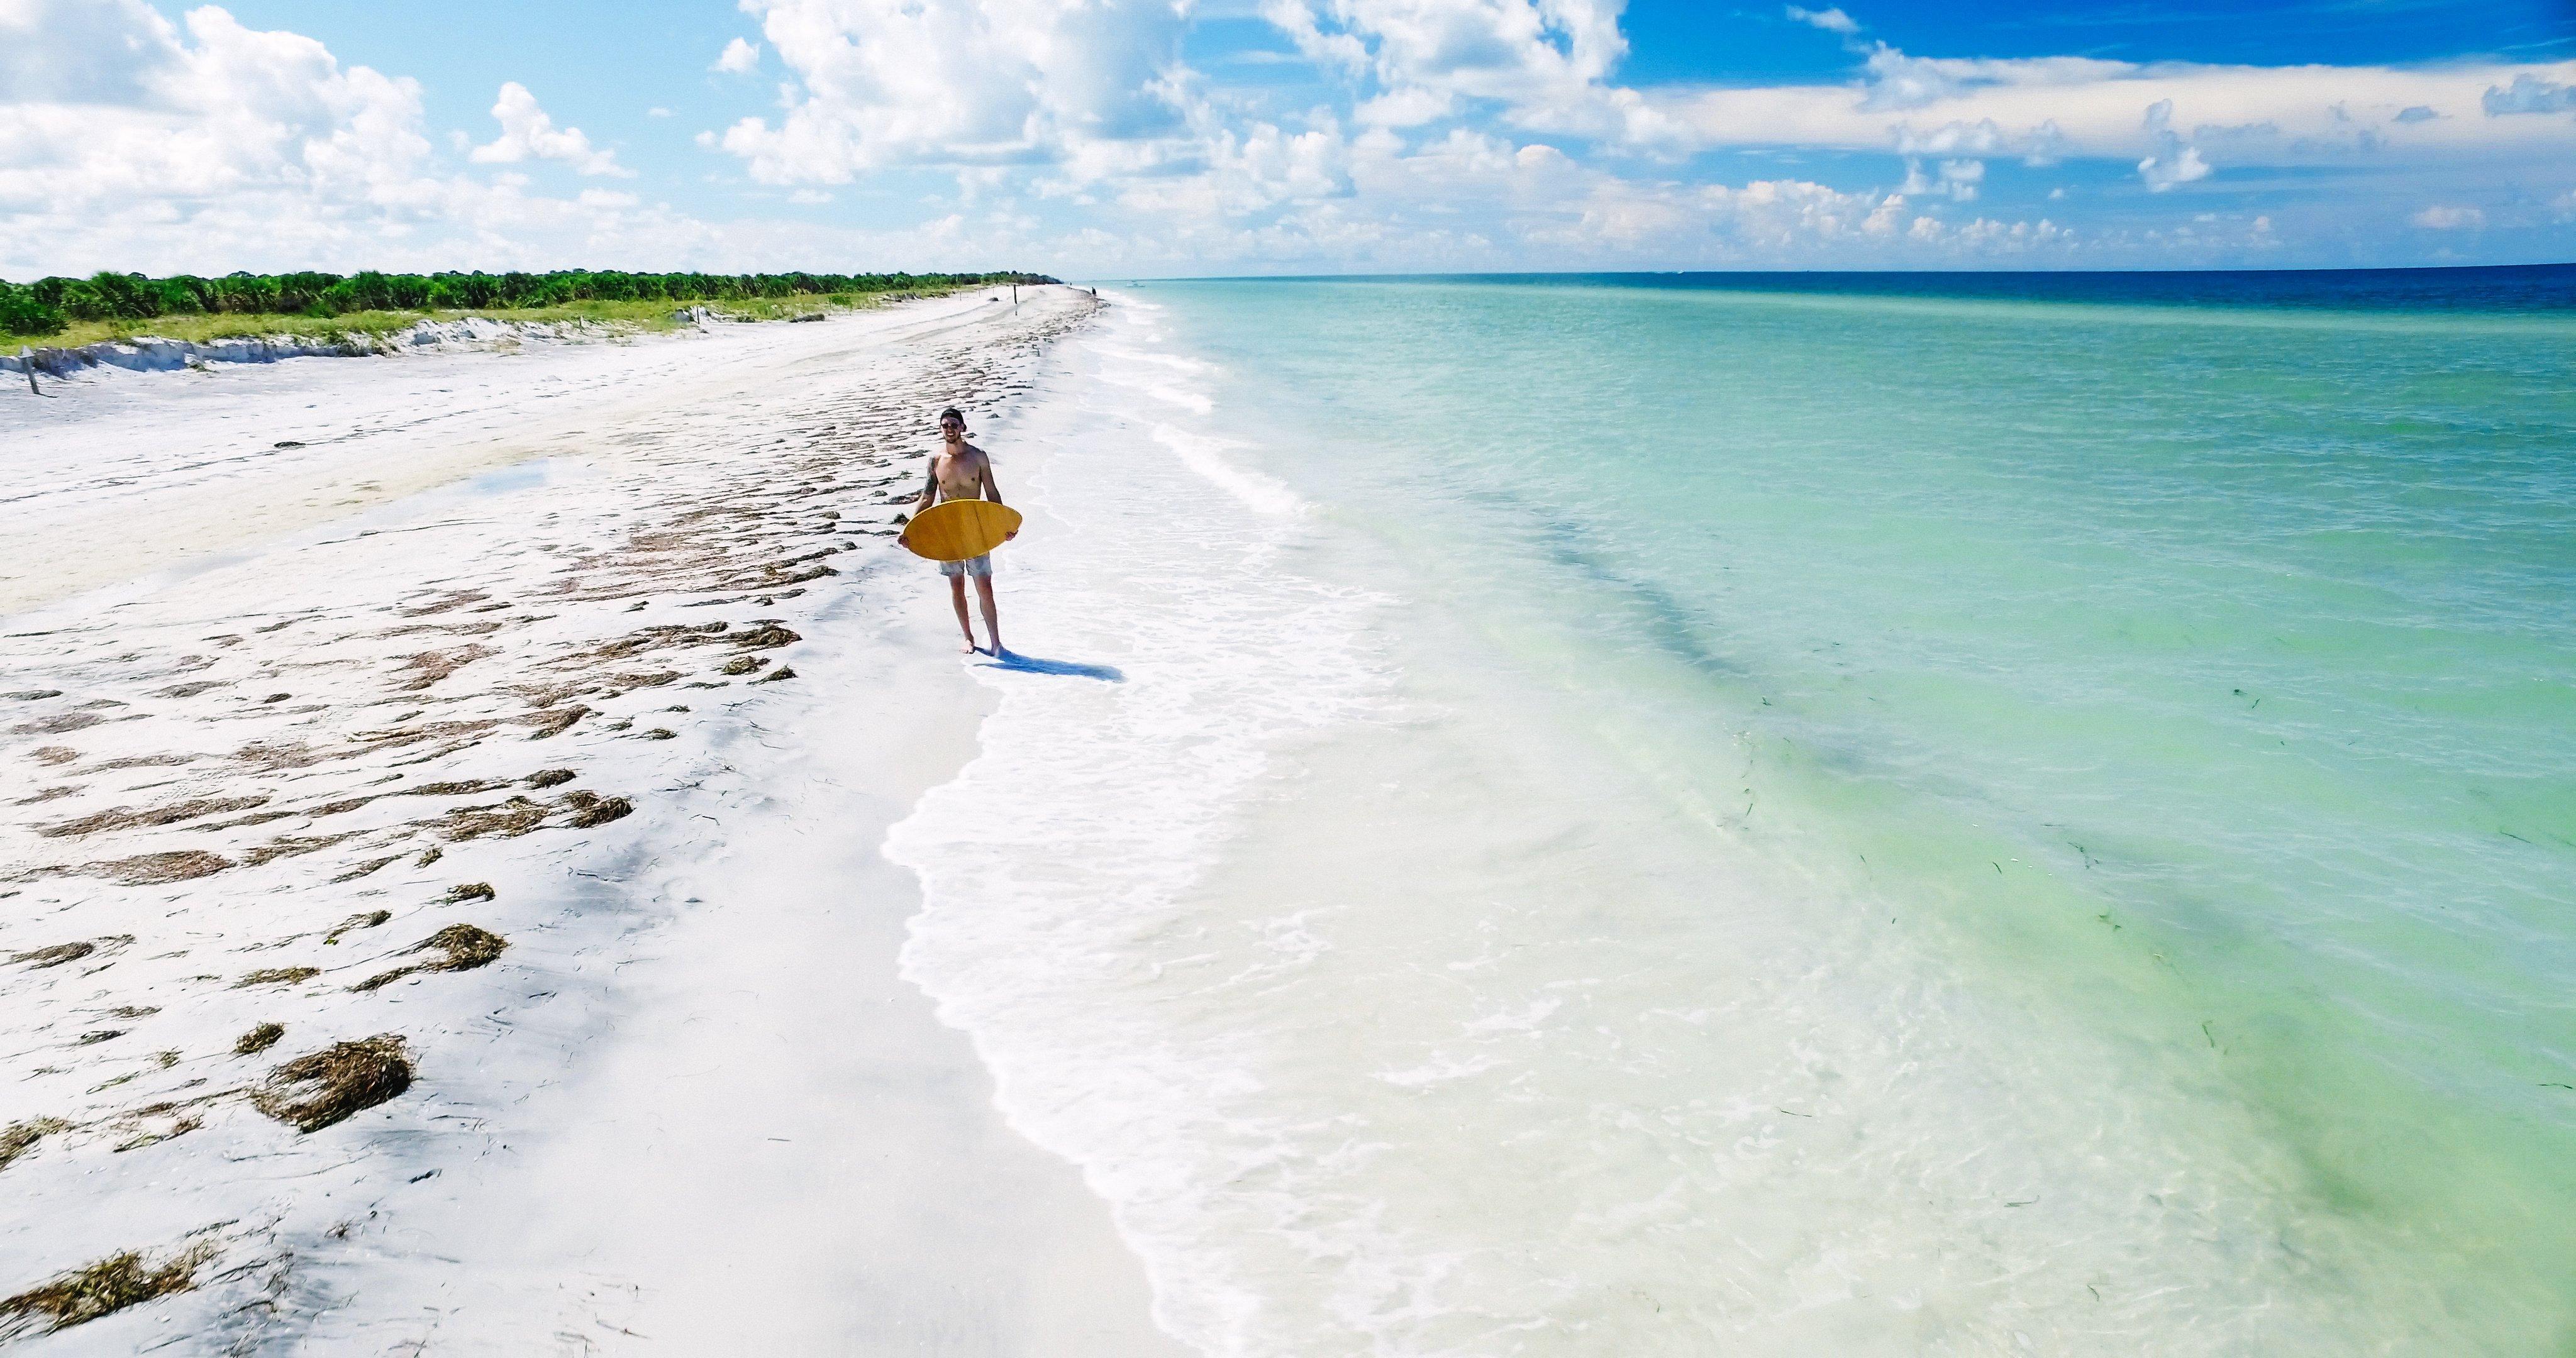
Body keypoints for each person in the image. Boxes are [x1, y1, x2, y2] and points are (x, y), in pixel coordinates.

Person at [900, 406, 1016, 654]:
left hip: (975, 529)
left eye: (954, 424)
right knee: (957, 586)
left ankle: (996, 643)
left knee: (985, 586)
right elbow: (927, 497)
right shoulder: (935, 461)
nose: (950, 429)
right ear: (941, 429)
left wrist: (1003, 524)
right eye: (945, 425)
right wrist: (911, 529)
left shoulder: (978, 457)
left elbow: (992, 492)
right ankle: (968, 638)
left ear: (963, 427)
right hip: (947, 530)